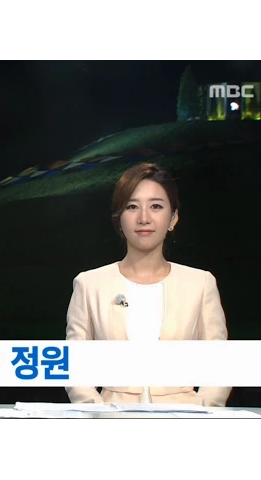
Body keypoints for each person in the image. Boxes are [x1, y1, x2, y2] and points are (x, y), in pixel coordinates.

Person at [65, 162, 231, 406]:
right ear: (119, 219)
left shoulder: (200, 283)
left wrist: (201, 411)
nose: (144, 218)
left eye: (156, 206)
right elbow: (75, 366)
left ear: (173, 217)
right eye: (132, 207)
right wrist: (97, 412)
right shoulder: (90, 284)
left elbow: (219, 366)